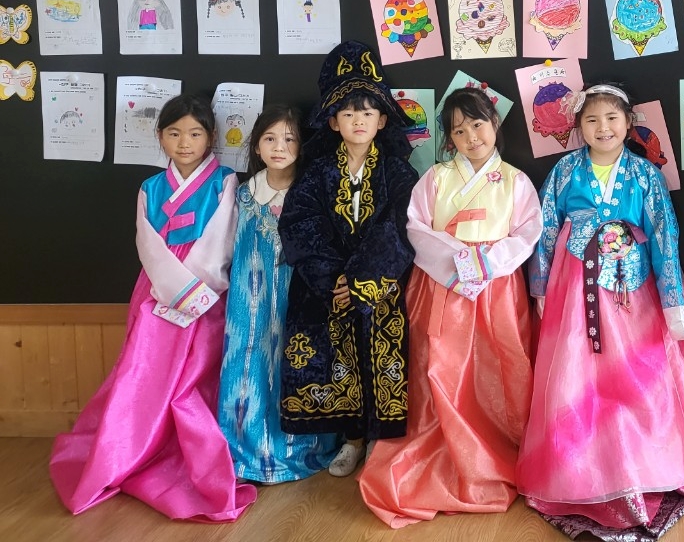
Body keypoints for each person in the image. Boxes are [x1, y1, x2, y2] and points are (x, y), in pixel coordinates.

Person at [518, 83, 684, 541]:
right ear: (579, 127)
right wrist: (541, 284)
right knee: (579, 375)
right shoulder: (565, 171)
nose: (603, 128)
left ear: (628, 123)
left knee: (636, 374)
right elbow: (545, 228)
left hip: (634, 289)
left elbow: (664, 235)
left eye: (612, 118)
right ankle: (584, 463)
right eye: (592, 120)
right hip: (575, 288)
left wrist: (672, 300)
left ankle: (645, 459)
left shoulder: (645, 174)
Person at [50, 94, 255, 522]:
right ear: (160, 136)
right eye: (174, 133)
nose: (185, 143)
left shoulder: (225, 182)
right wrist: (173, 288)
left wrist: (194, 290)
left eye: (195, 133)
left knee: (195, 377)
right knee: (143, 371)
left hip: (206, 291)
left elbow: (220, 240)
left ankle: (191, 455)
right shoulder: (150, 188)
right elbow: (148, 244)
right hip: (156, 290)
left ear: (211, 137)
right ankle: (129, 448)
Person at [360, 87, 540, 526]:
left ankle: (500, 447)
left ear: (494, 124)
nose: (471, 137)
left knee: (498, 365)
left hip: (496, 288)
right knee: (438, 367)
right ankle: (439, 443)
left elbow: (527, 232)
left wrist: (486, 261)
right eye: (459, 131)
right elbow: (416, 228)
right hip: (441, 284)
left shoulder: (516, 180)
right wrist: (458, 261)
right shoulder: (436, 177)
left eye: (478, 124)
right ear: (449, 139)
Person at [277, 41, 418, 477]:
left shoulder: (398, 172)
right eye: (349, 112)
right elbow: (299, 223)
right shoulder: (316, 173)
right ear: (333, 121)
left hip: (380, 286)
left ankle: (380, 441)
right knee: (336, 362)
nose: (359, 120)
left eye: (368, 112)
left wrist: (361, 277)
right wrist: (332, 278)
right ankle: (350, 440)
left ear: (382, 120)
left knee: (383, 360)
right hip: (326, 289)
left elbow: (402, 225)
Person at [218, 105, 339, 482]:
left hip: (299, 297)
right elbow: (225, 247)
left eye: (289, 139)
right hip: (249, 301)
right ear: (256, 146)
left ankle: (300, 447)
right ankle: (243, 448)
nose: (279, 147)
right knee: (247, 364)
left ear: (302, 146)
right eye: (269, 138)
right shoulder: (242, 195)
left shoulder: (313, 193)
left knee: (296, 361)